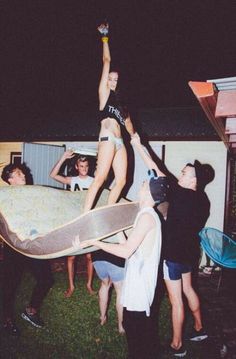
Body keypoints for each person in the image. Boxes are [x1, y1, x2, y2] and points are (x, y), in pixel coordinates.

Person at [131, 133, 214, 357]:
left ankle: (177, 344)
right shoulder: (204, 200)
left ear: (193, 180)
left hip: (173, 255)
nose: (180, 174)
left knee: (176, 300)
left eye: (185, 173)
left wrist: (139, 146)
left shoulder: (179, 193)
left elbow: (156, 168)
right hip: (190, 253)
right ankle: (199, 327)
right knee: (189, 289)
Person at [78, 170, 169, 359]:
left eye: (145, 184)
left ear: (150, 192)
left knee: (137, 337)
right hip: (136, 283)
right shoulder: (146, 214)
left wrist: (95, 243)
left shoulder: (147, 217)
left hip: (140, 287)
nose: (141, 185)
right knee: (136, 328)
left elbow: (126, 251)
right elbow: (131, 245)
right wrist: (117, 227)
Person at [83, 23, 135, 213]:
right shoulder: (104, 94)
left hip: (120, 141)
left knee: (121, 181)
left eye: (115, 80)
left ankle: (106, 213)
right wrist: (105, 37)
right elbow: (106, 60)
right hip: (107, 137)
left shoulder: (122, 105)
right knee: (101, 178)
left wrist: (135, 137)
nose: (112, 82)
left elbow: (129, 124)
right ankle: (85, 216)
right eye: (110, 79)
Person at [1, 164, 54, 335]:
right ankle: (7, 319)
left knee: (46, 279)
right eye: (18, 173)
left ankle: (31, 311)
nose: (23, 175)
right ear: (10, 179)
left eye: (22, 172)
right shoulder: (5, 196)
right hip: (13, 248)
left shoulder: (30, 193)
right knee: (10, 285)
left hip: (32, 245)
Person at [50, 151, 95, 296]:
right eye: (81, 166)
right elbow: (53, 175)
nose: (84, 169)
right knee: (71, 256)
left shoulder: (94, 181)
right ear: (77, 167)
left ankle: (89, 285)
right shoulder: (72, 180)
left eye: (86, 166)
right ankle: (71, 286)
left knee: (89, 256)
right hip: (74, 220)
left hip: (88, 220)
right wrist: (63, 157)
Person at [91, 249, 125, 334]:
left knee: (104, 284)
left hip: (97, 256)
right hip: (115, 255)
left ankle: (102, 318)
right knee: (120, 290)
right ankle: (121, 326)